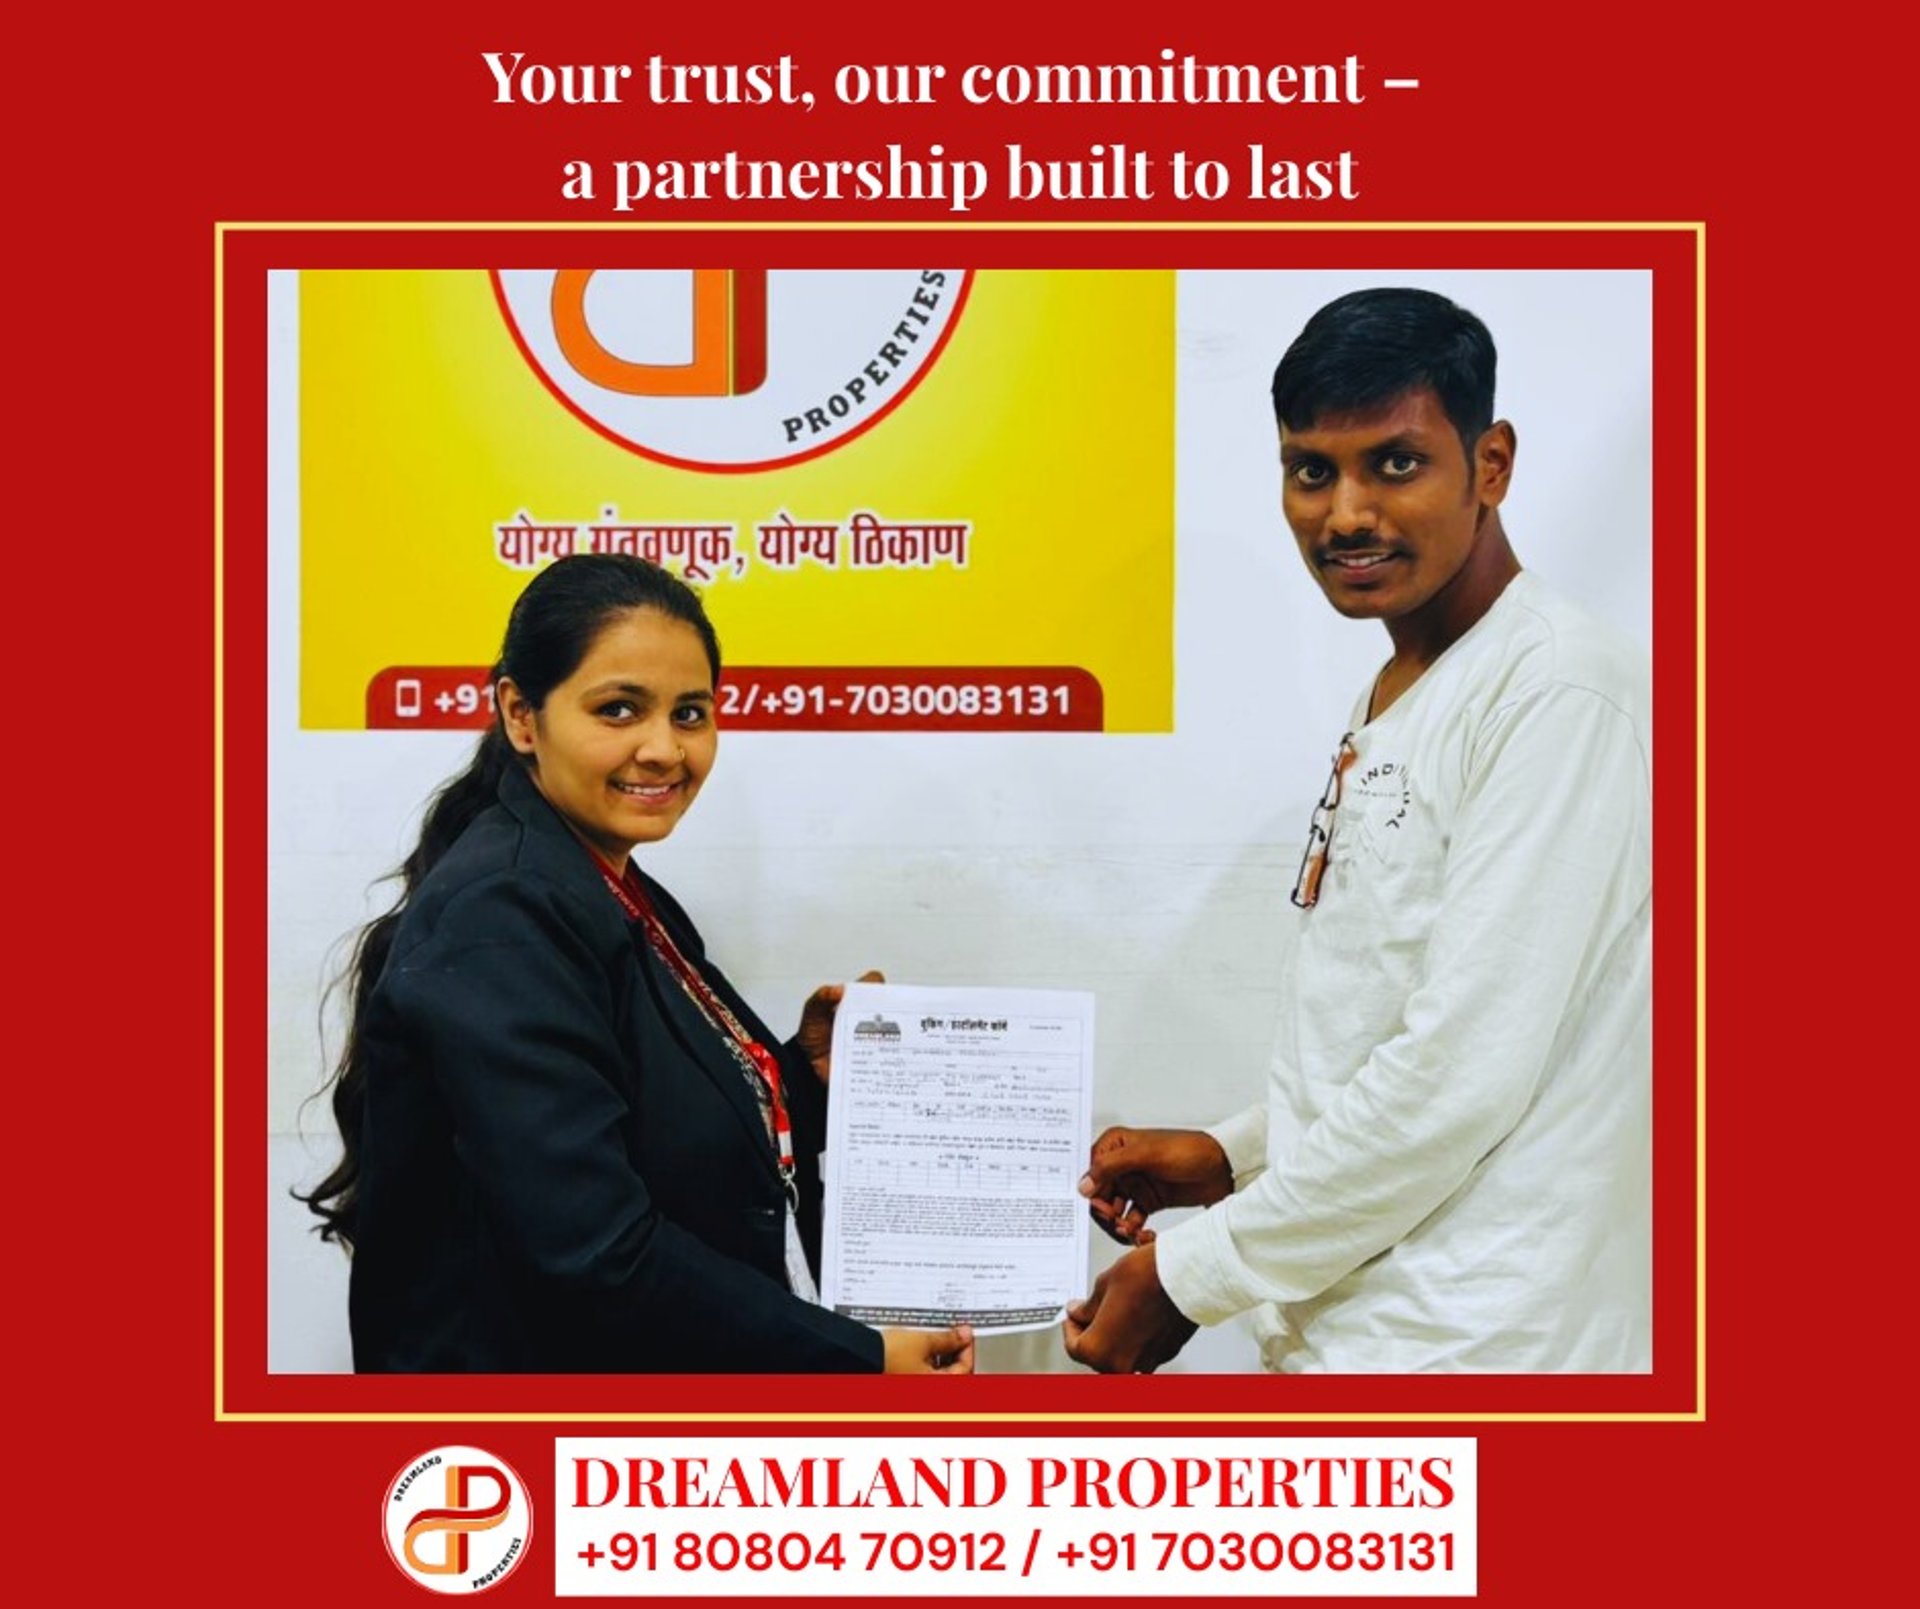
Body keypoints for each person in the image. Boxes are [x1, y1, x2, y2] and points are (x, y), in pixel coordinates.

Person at [1066, 287, 1651, 1373]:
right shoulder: (1411, 679)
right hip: (1364, 1331)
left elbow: (1458, 1076)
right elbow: (1392, 1025)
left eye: (1396, 463)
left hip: (1482, 1350)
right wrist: (1235, 1156)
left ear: (1491, 464)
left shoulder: (1556, 691)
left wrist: (1192, 1274)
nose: (1345, 514)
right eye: (1311, 470)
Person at [300, 553, 973, 1374]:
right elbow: (598, 1250)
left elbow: (660, 1132)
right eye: (618, 709)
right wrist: (862, 1357)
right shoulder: (505, 914)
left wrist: (803, 1074)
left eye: (690, 713)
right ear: (520, 715)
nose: (663, 748)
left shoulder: (608, 884)